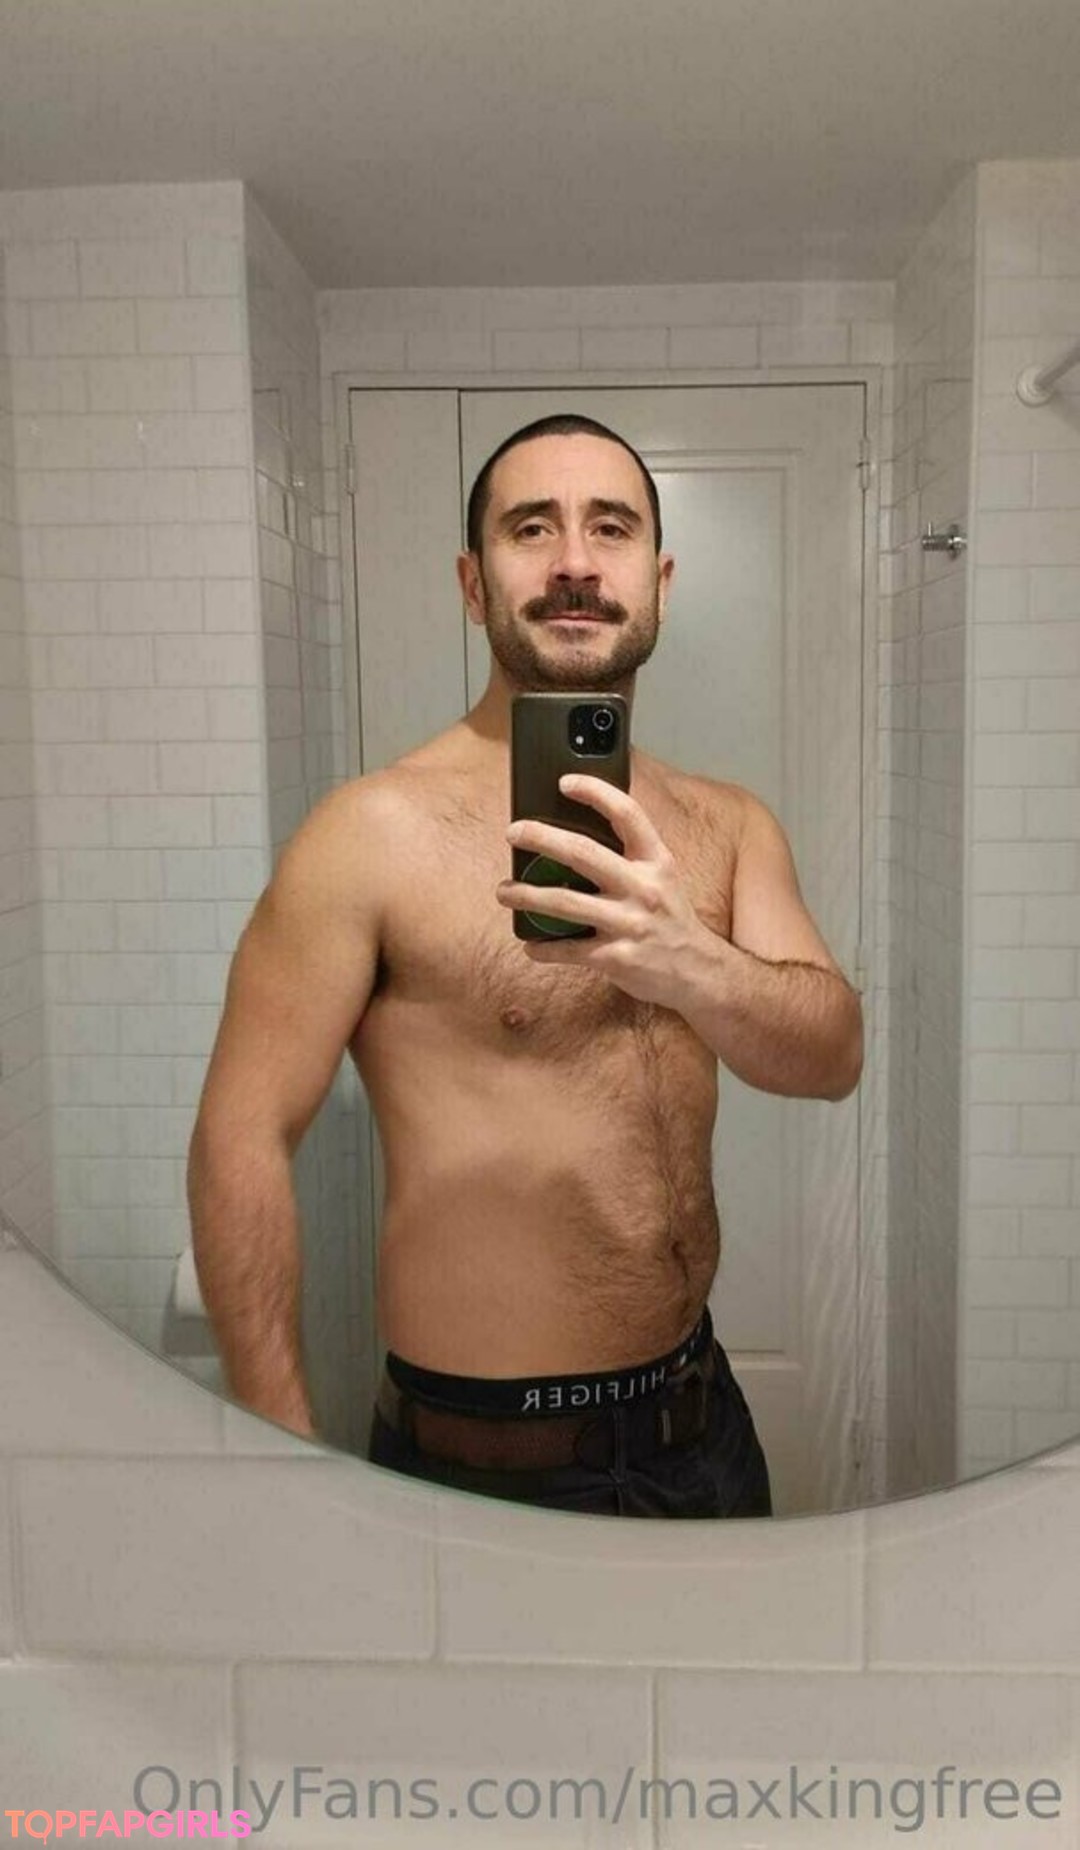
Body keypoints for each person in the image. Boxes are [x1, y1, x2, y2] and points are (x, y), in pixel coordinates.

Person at [187, 413, 863, 1519]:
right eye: (532, 528)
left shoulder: (729, 824)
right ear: (474, 582)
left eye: (612, 528)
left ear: (659, 581)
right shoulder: (369, 835)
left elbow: (833, 1057)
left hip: (701, 1429)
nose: (575, 563)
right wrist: (280, 1457)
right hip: (487, 1464)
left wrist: (691, 962)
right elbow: (239, 1134)